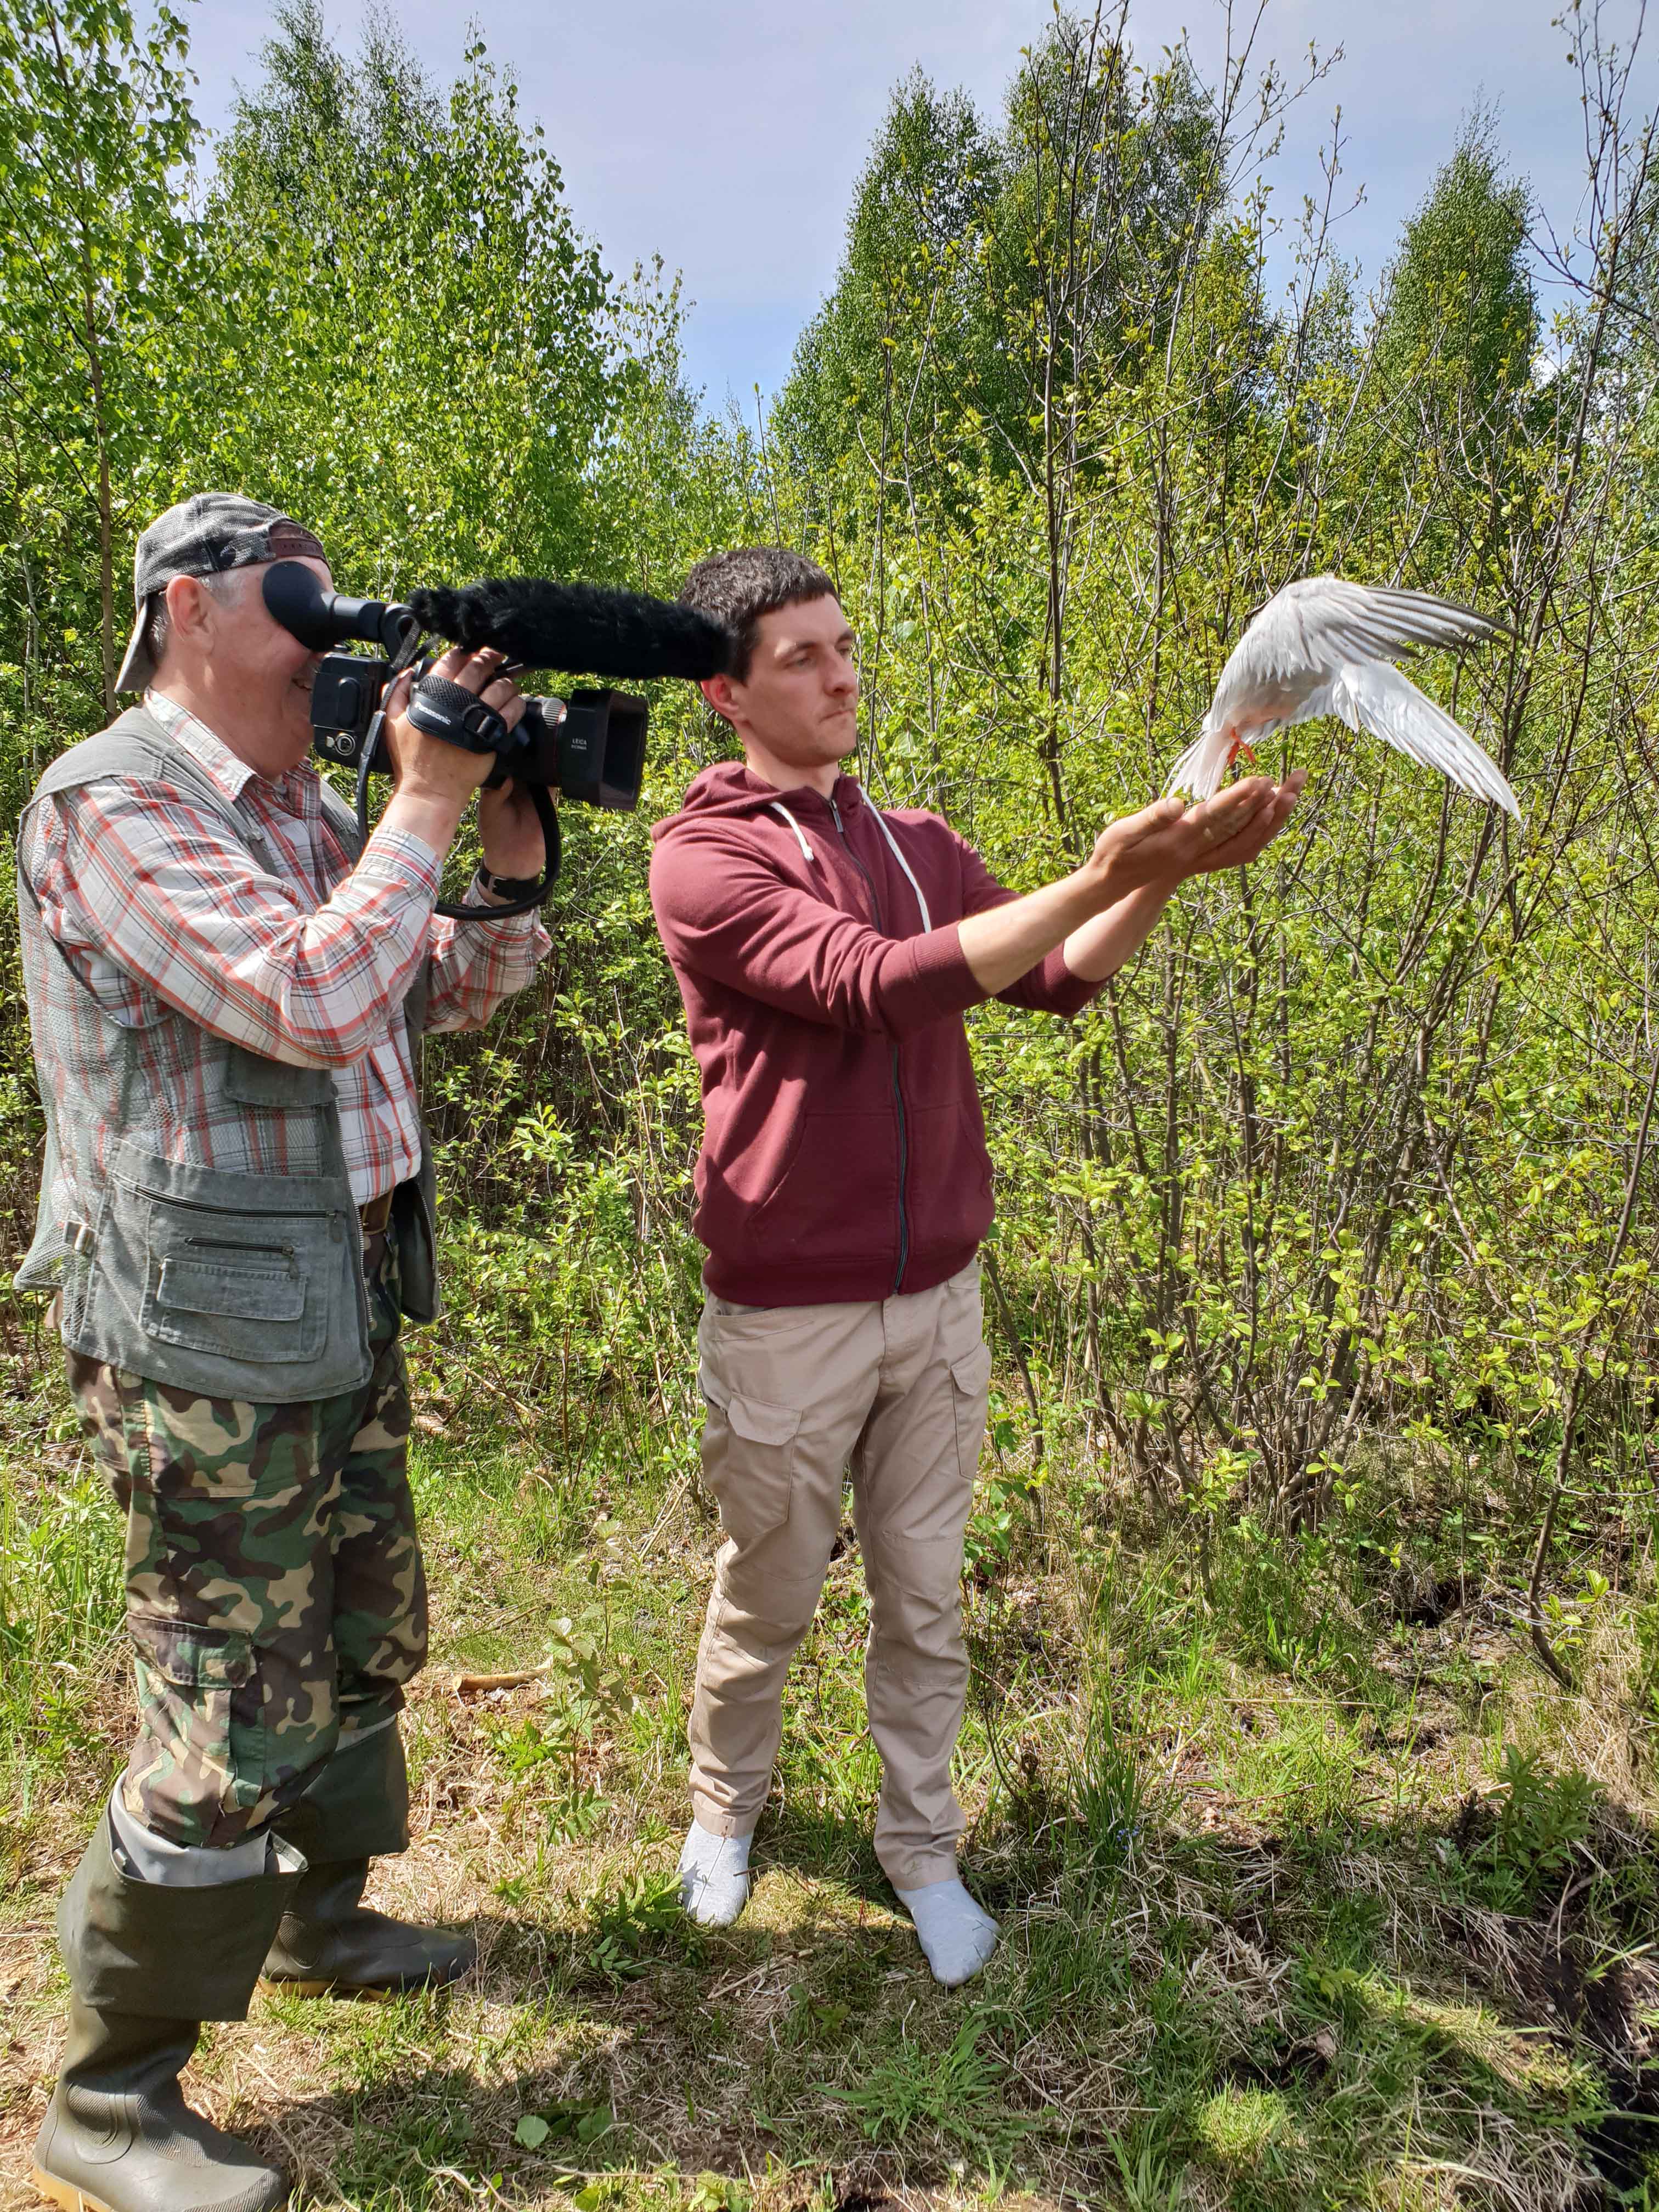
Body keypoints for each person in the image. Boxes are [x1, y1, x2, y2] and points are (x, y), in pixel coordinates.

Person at [649, 547, 1305, 1987]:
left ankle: (923, 1855)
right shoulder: (706, 857)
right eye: (803, 658)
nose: (841, 675)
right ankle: (723, 1818)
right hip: (787, 1314)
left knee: (925, 1599)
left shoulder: (918, 840)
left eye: (845, 645)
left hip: (937, 1302)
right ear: (725, 692)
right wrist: (1096, 869)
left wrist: (1167, 877)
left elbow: (1054, 979)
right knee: (767, 1594)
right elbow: (874, 987)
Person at [16, 495, 553, 2212]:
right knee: (226, 1708)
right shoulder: (110, 802)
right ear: (188, 608)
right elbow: (308, 1004)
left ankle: (322, 1924)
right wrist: (427, 798)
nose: (328, 613)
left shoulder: (310, 809)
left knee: (370, 1623)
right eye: (290, 581)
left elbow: (433, 997)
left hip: (336, 1291)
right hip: (202, 1337)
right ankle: (109, 2103)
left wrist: (505, 854)